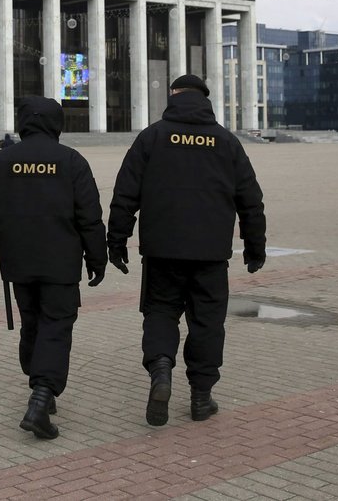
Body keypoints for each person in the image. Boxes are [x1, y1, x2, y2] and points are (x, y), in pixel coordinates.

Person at [107, 74, 267, 428]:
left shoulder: (153, 137)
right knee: (207, 322)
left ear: (174, 95)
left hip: (162, 250)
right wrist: (255, 248)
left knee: (161, 312)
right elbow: (251, 201)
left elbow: (125, 194)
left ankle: (161, 369)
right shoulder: (227, 142)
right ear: (204, 99)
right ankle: (200, 396)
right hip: (210, 254)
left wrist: (116, 242)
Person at [0, 96, 107, 440]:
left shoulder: (3, 161)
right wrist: (97, 258)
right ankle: (42, 395)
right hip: (60, 264)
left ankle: (37, 383)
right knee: (56, 327)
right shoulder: (72, 160)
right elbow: (89, 217)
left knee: (32, 322)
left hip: (19, 263)